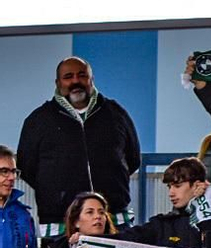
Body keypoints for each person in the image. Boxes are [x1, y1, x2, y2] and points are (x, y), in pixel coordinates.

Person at [16, 57, 141, 231]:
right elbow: (26, 167)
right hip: (59, 224)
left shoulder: (115, 114)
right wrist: (56, 193)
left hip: (114, 220)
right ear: (58, 82)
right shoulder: (38, 120)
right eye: (68, 77)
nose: (76, 81)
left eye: (82, 75)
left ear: (91, 79)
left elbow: (133, 159)